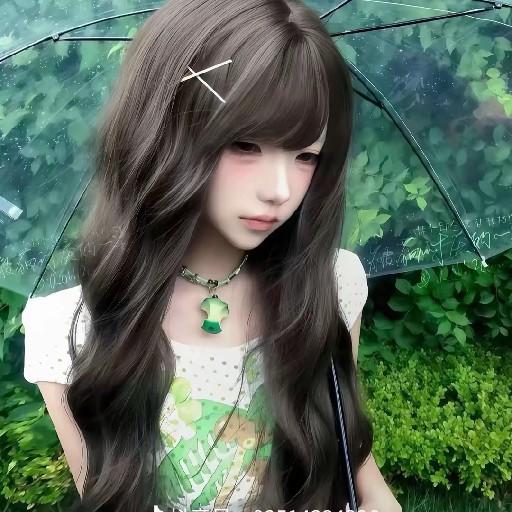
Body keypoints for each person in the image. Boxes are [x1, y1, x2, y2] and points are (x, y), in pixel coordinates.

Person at [21, 1, 402, 511]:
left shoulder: (329, 284)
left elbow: (354, 463)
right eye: (245, 145)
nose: (280, 189)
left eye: (306, 155)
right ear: (164, 132)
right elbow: (105, 493)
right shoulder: (73, 328)